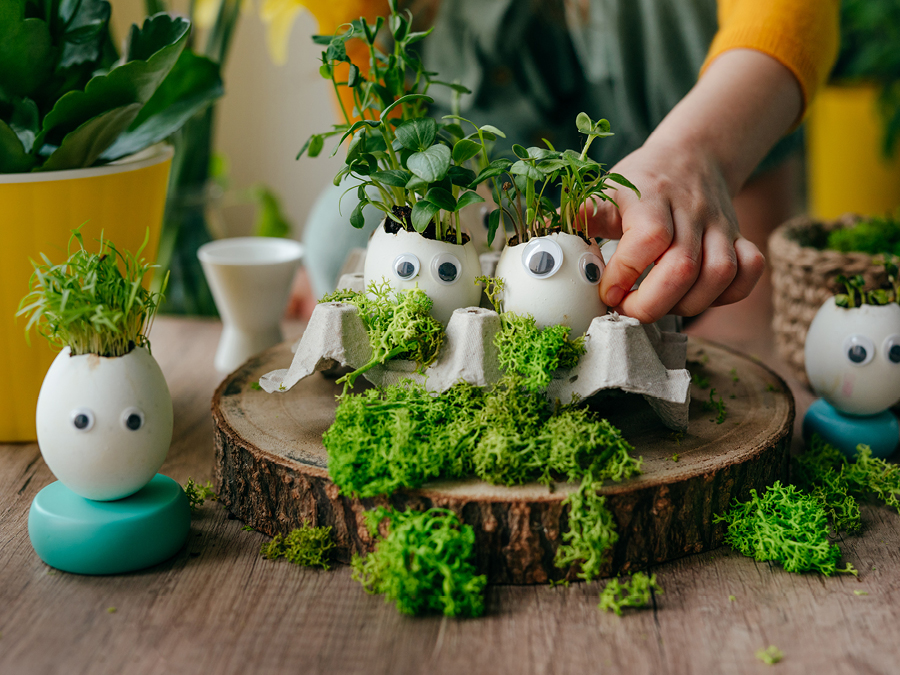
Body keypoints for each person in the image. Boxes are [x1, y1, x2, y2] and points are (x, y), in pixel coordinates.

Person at [270, 0, 839, 329]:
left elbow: (788, 14)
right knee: (338, 232)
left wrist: (699, 154)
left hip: (692, 160)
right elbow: (366, 63)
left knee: (711, 313)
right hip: (487, 170)